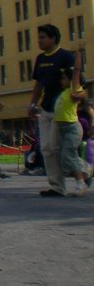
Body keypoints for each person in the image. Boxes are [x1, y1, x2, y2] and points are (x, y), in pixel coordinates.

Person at [29, 25, 81, 197]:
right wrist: (32, 104)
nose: (39, 40)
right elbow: (38, 84)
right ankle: (57, 187)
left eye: (43, 37)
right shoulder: (40, 59)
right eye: (39, 37)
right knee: (46, 148)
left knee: (57, 147)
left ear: (53, 38)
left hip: (62, 111)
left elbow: (77, 80)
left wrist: (78, 101)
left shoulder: (66, 56)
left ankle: (85, 171)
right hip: (46, 108)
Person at [52, 64, 92, 196]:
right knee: (68, 156)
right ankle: (87, 170)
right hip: (63, 129)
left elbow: (76, 72)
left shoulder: (72, 91)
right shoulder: (63, 93)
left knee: (68, 156)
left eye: (64, 78)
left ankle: (81, 184)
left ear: (70, 81)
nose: (61, 81)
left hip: (72, 129)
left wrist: (79, 53)